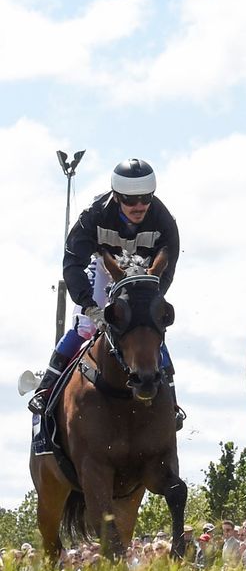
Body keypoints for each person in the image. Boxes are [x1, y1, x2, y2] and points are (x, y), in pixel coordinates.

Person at [26, 159, 183, 430]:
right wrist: (88, 304)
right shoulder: (94, 215)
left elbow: (167, 268)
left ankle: (171, 401)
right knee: (87, 327)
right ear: (116, 196)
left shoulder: (164, 221)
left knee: (148, 325)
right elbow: (73, 262)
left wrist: (152, 303)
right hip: (103, 267)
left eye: (145, 199)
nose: (139, 207)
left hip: (144, 276)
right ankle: (46, 389)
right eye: (130, 200)